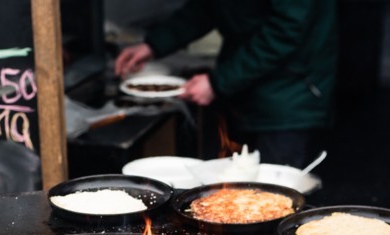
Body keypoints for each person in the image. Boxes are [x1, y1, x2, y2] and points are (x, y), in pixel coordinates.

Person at [115, 0, 337, 168]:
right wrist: (153, 45)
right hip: (245, 86)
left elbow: (285, 30)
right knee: (240, 191)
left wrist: (217, 82)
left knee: (278, 195)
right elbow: (206, 7)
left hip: (291, 91)